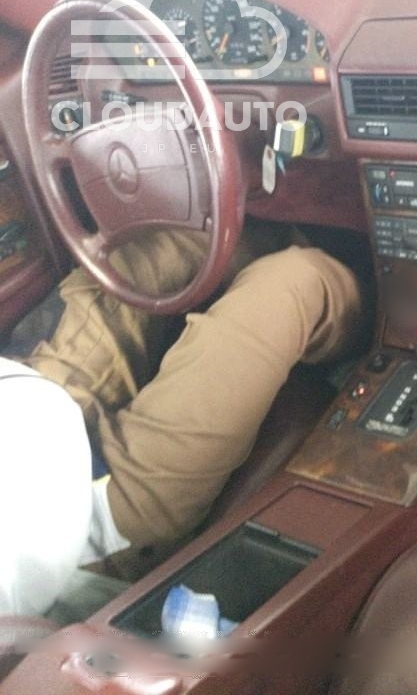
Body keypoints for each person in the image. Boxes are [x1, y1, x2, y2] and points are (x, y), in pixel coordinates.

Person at [0, 229, 363, 616]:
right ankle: (377, 330)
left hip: (29, 409)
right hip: (83, 523)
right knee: (293, 283)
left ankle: (299, 243)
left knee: (173, 247)